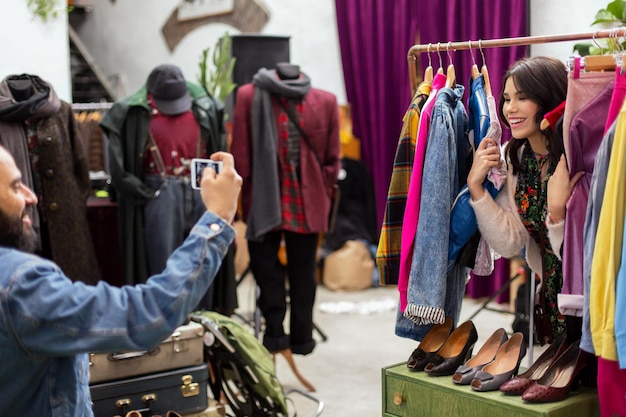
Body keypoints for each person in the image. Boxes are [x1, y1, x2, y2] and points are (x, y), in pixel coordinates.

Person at [0, 144, 241, 416]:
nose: (30, 196)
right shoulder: (18, 287)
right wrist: (218, 217)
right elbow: (147, 315)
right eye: (15, 186)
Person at [100, 63, 237, 313]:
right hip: (159, 190)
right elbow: (119, 168)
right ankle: (166, 327)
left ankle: (203, 325)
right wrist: (142, 190)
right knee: (164, 264)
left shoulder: (205, 106)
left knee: (203, 257)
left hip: (201, 187)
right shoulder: (132, 112)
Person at [467, 56, 584, 341]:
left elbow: (586, 253)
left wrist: (557, 213)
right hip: (549, 303)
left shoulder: (577, 157)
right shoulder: (515, 157)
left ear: (549, 98)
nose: (510, 109)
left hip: (587, 301)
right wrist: (476, 187)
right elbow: (510, 242)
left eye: (523, 97)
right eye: (506, 99)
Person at [230, 62, 340, 355]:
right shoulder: (249, 96)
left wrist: (323, 185)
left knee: (304, 272)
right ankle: (275, 333)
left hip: (307, 200)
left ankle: (302, 338)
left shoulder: (325, 100)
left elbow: (332, 156)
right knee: (266, 269)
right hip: (265, 197)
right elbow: (240, 151)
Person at [0, 73, 100, 284]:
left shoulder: (60, 111)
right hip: (16, 219)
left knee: (72, 284)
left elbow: (79, 164)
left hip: (64, 218)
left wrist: (74, 205)